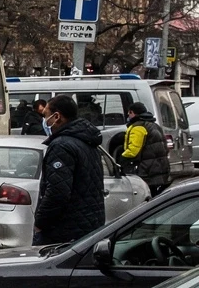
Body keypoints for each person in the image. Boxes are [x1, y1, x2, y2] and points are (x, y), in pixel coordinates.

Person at [34, 94, 107, 245]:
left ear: (57, 117)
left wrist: (40, 222)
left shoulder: (61, 146)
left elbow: (57, 192)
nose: (44, 121)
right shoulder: (86, 141)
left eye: (46, 115)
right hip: (89, 225)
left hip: (64, 231)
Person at [120, 99, 171, 196]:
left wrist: (122, 159)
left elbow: (133, 150)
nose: (128, 116)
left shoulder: (138, 127)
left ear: (133, 113)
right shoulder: (154, 125)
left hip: (147, 169)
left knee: (144, 195)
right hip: (160, 167)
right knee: (156, 196)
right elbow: (165, 147)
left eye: (129, 113)